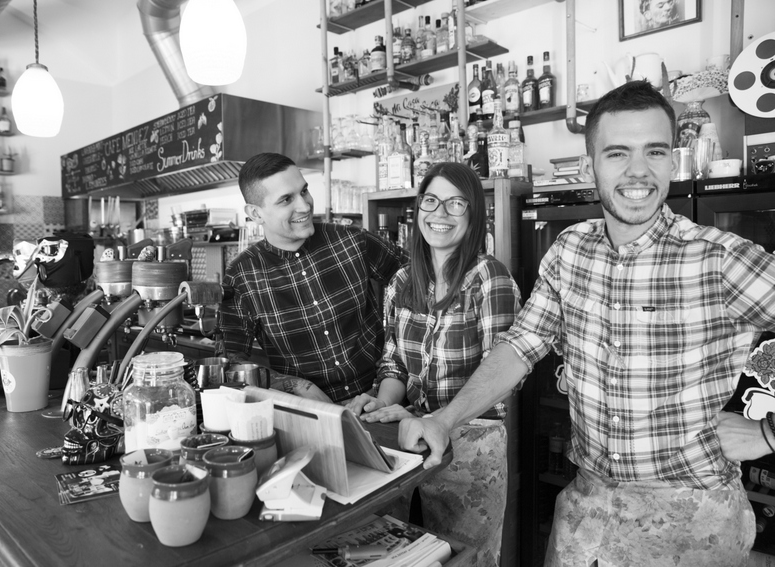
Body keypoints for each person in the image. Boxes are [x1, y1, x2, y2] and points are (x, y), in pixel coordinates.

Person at [400, 80, 775, 566]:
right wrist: (443, 421)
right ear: (590, 163)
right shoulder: (570, 250)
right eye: (617, 153)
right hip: (586, 513)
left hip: (693, 518)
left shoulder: (719, 257)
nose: (638, 171)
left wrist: (768, 434)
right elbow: (521, 346)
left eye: (655, 151)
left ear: (672, 159)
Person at [346, 162, 521, 567]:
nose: (440, 213)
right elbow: (393, 363)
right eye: (431, 201)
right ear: (418, 209)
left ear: (474, 215)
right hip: (408, 440)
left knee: (468, 559)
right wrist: (382, 404)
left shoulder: (488, 278)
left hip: (471, 446)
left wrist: (439, 418)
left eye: (455, 203)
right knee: (405, 554)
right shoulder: (402, 282)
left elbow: (504, 373)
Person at [217, 152, 406, 403]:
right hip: (309, 413)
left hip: (382, 399)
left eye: (304, 191)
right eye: (286, 199)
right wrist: (295, 386)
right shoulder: (241, 275)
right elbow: (230, 362)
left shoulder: (351, 240)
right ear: (256, 213)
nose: (304, 206)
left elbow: (416, 277)